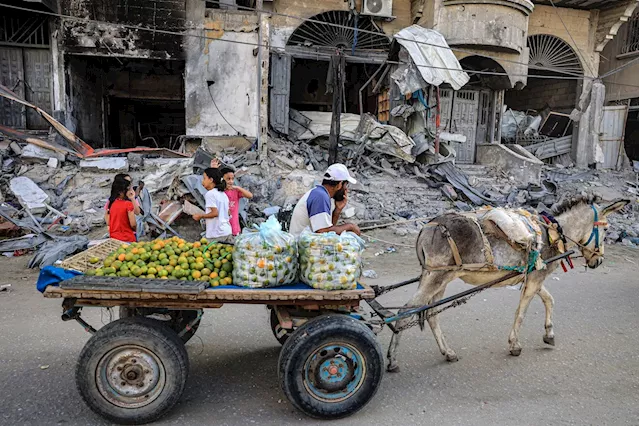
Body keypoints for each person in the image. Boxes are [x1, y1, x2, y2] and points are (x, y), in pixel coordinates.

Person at [289, 163, 361, 237]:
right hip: (301, 245)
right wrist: (350, 227)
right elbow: (322, 232)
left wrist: (337, 210)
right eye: (345, 185)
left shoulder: (320, 193)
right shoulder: (320, 196)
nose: (346, 189)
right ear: (339, 184)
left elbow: (327, 229)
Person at [210, 158, 254, 236]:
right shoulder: (218, 191)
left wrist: (238, 188)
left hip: (234, 227)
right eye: (228, 179)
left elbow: (250, 196)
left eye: (232, 179)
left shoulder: (235, 191)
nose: (231, 181)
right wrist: (213, 169)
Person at [192, 168, 233, 243]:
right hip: (227, 231)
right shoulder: (223, 194)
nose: (202, 181)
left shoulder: (210, 194)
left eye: (204, 178)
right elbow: (228, 213)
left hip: (217, 234)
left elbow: (215, 213)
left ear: (211, 180)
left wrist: (200, 216)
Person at [105, 177, 137, 242]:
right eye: (128, 189)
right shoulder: (128, 204)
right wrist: (135, 229)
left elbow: (108, 222)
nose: (130, 191)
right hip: (127, 238)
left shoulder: (111, 204)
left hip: (114, 239)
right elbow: (133, 224)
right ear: (121, 192)